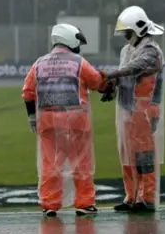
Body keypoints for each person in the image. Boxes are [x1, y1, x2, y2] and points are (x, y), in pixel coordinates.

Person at [22, 23, 109, 217]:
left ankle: (50, 203)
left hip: (47, 122)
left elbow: (27, 93)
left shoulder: (39, 64)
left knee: (50, 163)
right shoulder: (79, 62)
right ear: (70, 39)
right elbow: (96, 81)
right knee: (81, 163)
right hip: (77, 121)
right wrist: (107, 82)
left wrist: (32, 118)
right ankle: (84, 203)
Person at [101, 6, 165, 213]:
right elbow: (125, 76)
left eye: (127, 32)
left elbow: (136, 67)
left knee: (144, 156)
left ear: (138, 30)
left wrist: (111, 76)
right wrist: (112, 87)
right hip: (126, 109)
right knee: (126, 155)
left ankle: (146, 198)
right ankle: (131, 196)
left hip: (145, 109)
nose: (125, 36)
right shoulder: (127, 50)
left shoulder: (151, 51)